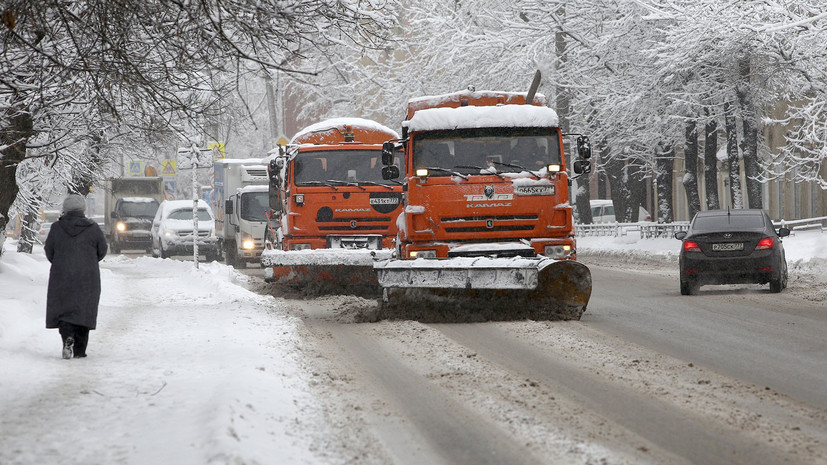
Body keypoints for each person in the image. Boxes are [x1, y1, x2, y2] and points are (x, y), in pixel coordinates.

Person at [45, 194, 108, 359]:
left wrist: (62, 263)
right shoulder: (93, 228)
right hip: (88, 277)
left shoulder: (56, 228)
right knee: (84, 310)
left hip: (61, 276)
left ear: (65, 209)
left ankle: (67, 338)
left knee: (64, 311)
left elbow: (49, 251)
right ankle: (80, 350)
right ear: (83, 209)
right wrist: (88, 261)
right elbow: (102, 251)